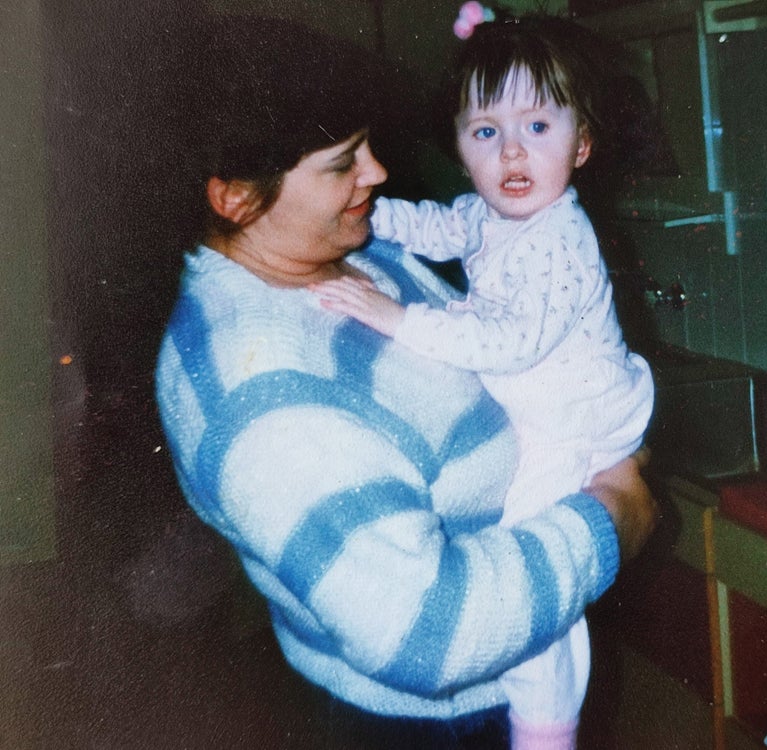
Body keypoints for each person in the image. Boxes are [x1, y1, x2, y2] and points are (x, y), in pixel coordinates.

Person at [153, 13, 658, 750]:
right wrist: (611, 517)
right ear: (234, 198)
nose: (378, 174)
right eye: (343, 163)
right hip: (437, 725)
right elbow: (427, 633)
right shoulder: (261, 395)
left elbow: (447, 263)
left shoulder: (336, 252)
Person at [311, 7, 655, 749]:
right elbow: (440, 226)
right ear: (462, 147)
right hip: (545, 403)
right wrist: (366, 216)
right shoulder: (491, 213)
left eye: (537, 126)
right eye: (485, 131)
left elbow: (507, 341)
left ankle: (546, 724)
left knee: (534, 573)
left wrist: (392, 315)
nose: (511, 152)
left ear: (583, 143)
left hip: (574, 419)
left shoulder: (561, 239)